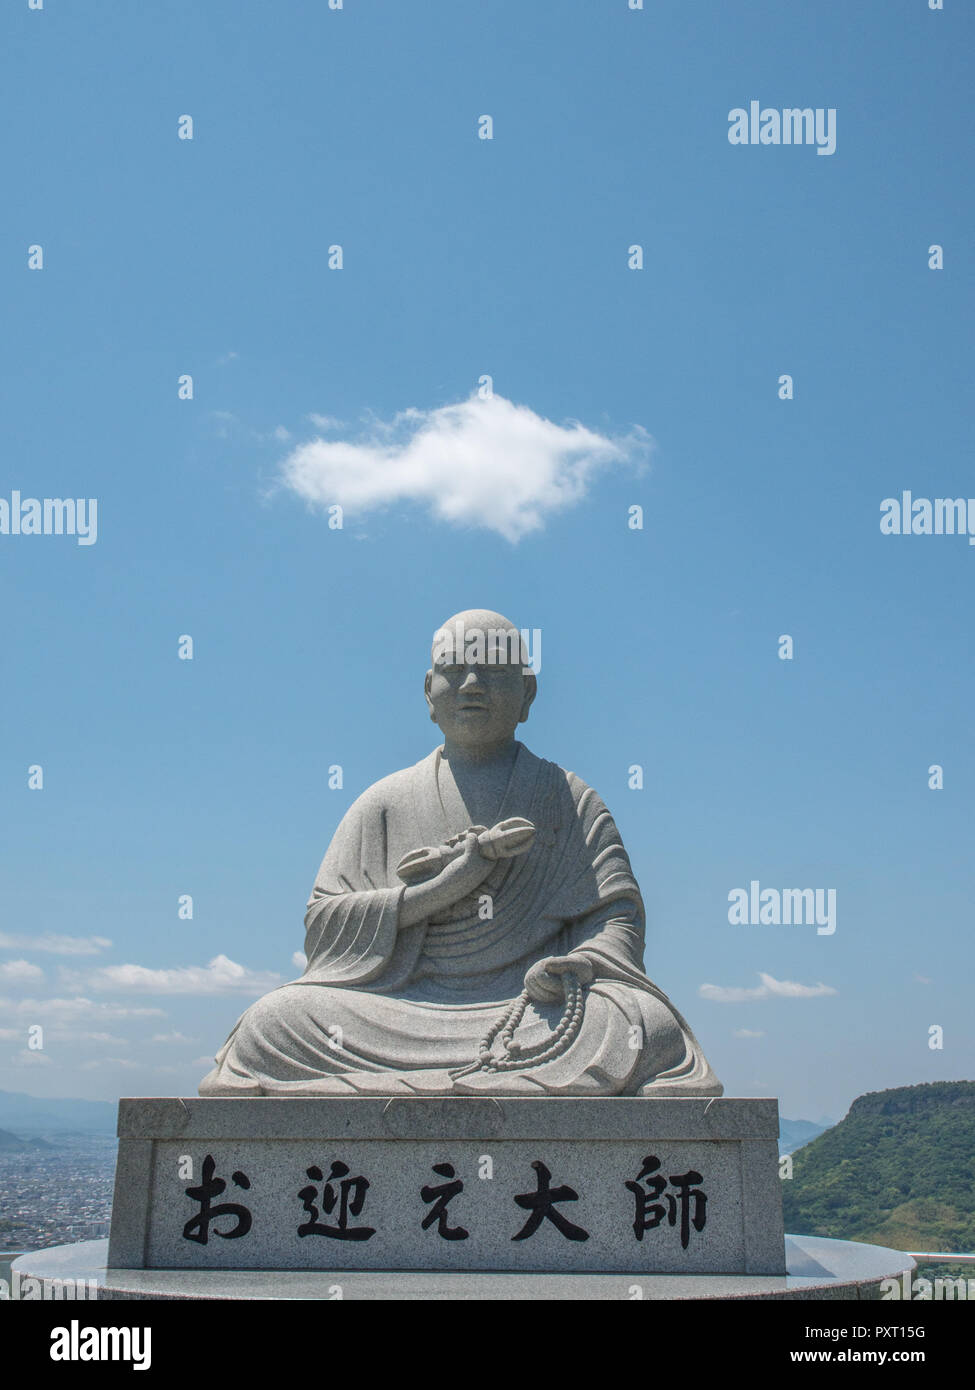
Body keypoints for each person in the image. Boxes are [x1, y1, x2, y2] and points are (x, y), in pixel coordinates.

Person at [199, 609, 721, 1097]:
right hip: (395, 1009)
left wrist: (577, 964)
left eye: (493, 672)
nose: (472, 685)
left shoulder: (568, 799)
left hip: (532, 1008)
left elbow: (616, 918)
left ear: (527, 693)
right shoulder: (383, 802)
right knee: (275, 1019)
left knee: (644, 1024)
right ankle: (503, 1077)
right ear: (430, 691)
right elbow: (324, 926)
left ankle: (480, 1071)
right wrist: (436, 892)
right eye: (455, 670)